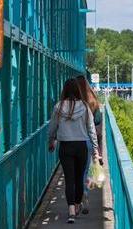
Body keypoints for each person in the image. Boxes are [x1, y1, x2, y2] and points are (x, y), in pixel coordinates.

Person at [48, 78, 102, 224]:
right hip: (81, 147)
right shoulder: (84, 107)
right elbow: (91, 129)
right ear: (78, 91)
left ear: (64, 90)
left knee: (69, 179)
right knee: (79, 178)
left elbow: (52, 127)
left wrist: (51, 141)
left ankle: (71, 210)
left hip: (65, 146)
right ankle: (77, 204)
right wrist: (95, 149)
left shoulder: (58, 107)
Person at [75, 75, 104, 214]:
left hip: (73, 140)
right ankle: (84, 195)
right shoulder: (92, 101)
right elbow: (98, 121)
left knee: (73, 173)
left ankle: (76, 200)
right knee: (85, 172)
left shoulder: (73, 103)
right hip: (88, 141)